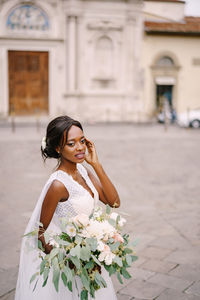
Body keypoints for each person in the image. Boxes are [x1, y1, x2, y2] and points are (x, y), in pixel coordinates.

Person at [15, 115, 120, 300]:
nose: (80, 147)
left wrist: (96, 164)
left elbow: (114, 202)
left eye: (81, 141)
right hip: (71, 263)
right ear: (58, 148)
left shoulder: (83, 170)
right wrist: (68, 262)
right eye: (71, 144)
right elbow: (39, 232)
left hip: (91, 257)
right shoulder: (58, 185)